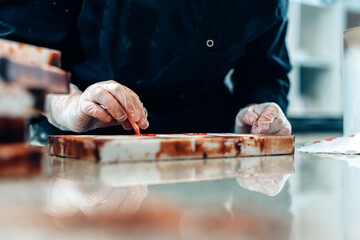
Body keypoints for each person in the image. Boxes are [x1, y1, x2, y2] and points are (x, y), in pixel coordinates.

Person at [0, 0, 291, 139]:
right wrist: (64, 103)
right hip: (78, 143)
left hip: (205, 154)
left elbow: (265, 70)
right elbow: (12, 55)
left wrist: (255, 112)